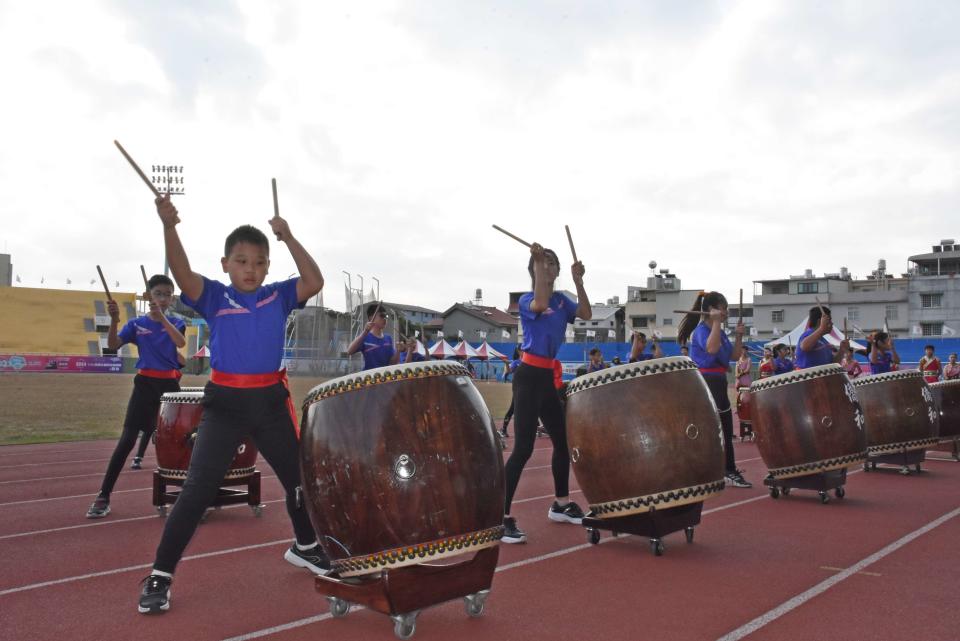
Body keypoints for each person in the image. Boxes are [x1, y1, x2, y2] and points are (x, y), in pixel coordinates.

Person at [137, 194, 328, 615]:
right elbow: (184, 274)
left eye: (259, 262)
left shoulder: (278, 295)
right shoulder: (214, 297)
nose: (251, 270)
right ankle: (160, 575)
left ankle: (307, 545)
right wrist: (169, 225)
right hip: (225, 404)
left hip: (271, 402)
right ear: (225, 264)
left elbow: (314, 281)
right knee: (198, 490)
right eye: (242, 261)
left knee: (299, 478)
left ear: (268, 267)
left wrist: (289, 236)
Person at [502, 242, 591, 544]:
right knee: (523, 449)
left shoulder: (563, 301)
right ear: (536, 269)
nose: (551, 265)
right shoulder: (529, 299)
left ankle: (561, 504)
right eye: (546, 263)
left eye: (554, 263)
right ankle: (499, 518)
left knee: (563, 442)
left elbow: (588, 313)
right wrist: (538, 264)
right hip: (528, 378)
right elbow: (540, 302)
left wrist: (579, 282)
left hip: (546, 380)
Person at [85, 275, 186, 519]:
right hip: (145, 385)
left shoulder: (175, 321)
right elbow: (112, 345)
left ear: (172, 298)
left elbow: (180, 342)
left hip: (170, 386)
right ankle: (104, 495)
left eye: (166, 294)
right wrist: (114, 320)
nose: (162, 298)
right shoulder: (136, 324)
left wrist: (161, 319)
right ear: (147, 295)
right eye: (157, 293)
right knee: (127, 439)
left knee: (180, 441)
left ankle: (188, 497)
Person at [677, 291, 751, 488]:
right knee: (718, 427)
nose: (726, 312)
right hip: (706, 381)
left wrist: (738, 336)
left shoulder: (719, 332)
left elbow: (734, 356)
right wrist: (717, 323)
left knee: (724, 428)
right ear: (712, 310)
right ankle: (726, 469)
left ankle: (724, 469)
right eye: (723, 308)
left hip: (718, 381)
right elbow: (711, 349)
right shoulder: (701, 331)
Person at [347, 304, 401, 370]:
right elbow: (349, 351)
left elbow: (392, 362)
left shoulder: (388, 338)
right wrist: (365, 332)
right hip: (369, 377)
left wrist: (398, 351)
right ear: (371, 318)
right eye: (382, 316)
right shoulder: (365, 337)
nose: (385, 319)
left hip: (385, 377)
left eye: (386, 316)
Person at [499, 348, 521, 438]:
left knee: (531, 407)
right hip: (518, 389)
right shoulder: (516, 362)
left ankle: (537, 427)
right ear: (519, 351)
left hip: (528, 389)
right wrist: (507, 364)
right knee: (512, 409)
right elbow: (509, 371)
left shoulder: (528, 361)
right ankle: (504, 429)